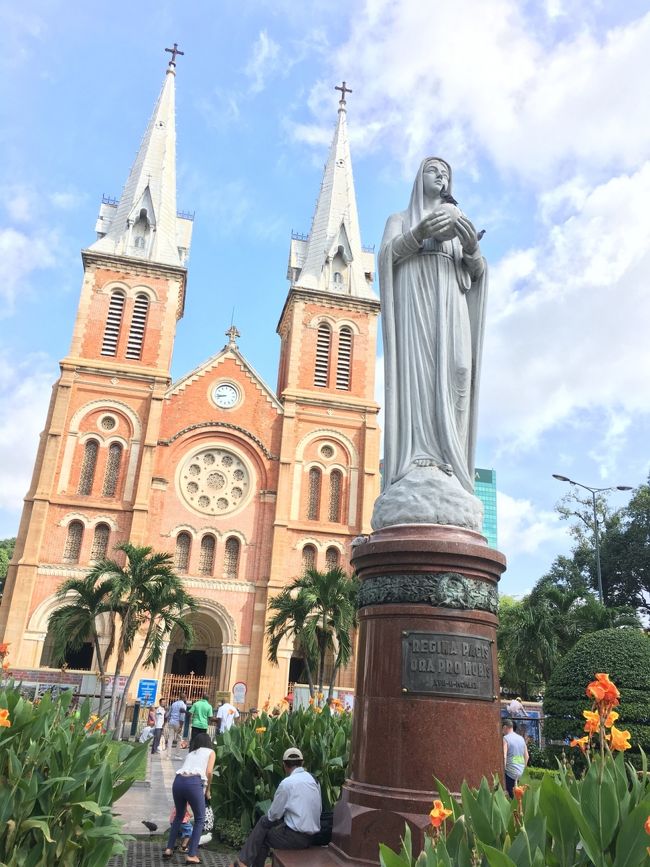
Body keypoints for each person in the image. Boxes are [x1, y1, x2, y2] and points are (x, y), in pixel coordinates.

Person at [377, 157, 487, 507]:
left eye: (446, 174)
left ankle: (450, 460)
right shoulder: (401, 219)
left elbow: (478, 272)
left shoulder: (459, 219)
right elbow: (387, 256)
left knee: (459, 370)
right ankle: (420, 455)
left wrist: (471, 248)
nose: (441, 177)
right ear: (418, 178)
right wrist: (420, 233)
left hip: (451, 301)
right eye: (433, 171)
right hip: (417, 301)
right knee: (421, 376)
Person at [231, 746, 321, 867]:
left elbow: (273, 815)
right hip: (314, 837)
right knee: (267, 826)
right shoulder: (314, 780)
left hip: (296, 839)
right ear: (302, 763)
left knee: (263, 831)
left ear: (284, 765)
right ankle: (244, 861)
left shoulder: (287, 783)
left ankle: (244, 861)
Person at [162, 732, 215, 864]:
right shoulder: (210, 752)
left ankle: (169, 849)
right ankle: (192, 855)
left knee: (179, 816)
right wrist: (208, 790)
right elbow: (209, 772)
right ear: (208, 742)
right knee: (199, 819)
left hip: (178, 781)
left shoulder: (191, 753)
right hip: (194, 783)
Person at [503, 719, 528, 797]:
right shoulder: (521, 738)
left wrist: (503, 772)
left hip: (510, 773)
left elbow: (504, 756)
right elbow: (527, 756)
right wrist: (523, 770)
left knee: (512, 797)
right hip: (521, 773)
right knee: (520, 797)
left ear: (505, 727)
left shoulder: (505, 738)